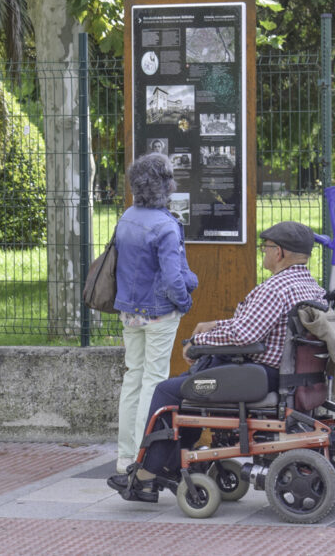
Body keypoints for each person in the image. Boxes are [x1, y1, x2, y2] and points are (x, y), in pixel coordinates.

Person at [108, 220, 325, 502]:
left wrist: (199, 343)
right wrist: (213, 326)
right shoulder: (310, 286)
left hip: (260, 375)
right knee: (192, 385)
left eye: (266, 248)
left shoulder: (275, 288)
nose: (264, 252)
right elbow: (249, 326)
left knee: (169, 392)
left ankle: (148, 476)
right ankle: (167, 464)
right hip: (290, 375)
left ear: (280, 252)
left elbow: (244, 334)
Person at [113, 153, 198, 473]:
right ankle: (143, 455)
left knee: (133, 377)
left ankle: (124, 456)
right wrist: (186, 303)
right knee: (154, 380)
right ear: (166, 186)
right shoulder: (166, 225)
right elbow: (174, 279)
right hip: (160, 313)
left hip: (129, 311)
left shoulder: (127, 218)